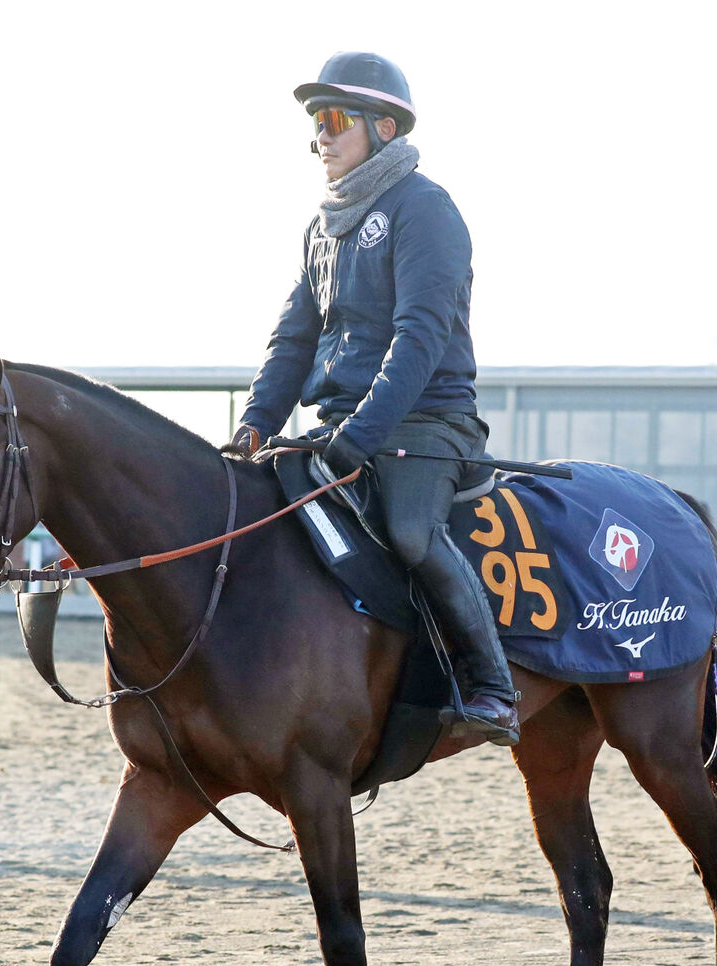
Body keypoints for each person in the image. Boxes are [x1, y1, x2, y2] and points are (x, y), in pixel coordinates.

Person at [226, 52, 518, 746]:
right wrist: (258, 421)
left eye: (331, 120)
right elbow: (293, 340)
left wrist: (362, 430)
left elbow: (419, 337)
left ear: (383, 127)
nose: (318, 138)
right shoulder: (319, 227)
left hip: (425, 422)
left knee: (412, 533)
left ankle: (492, 687)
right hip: (343, 426)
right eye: (313, 126)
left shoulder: (427, 209)